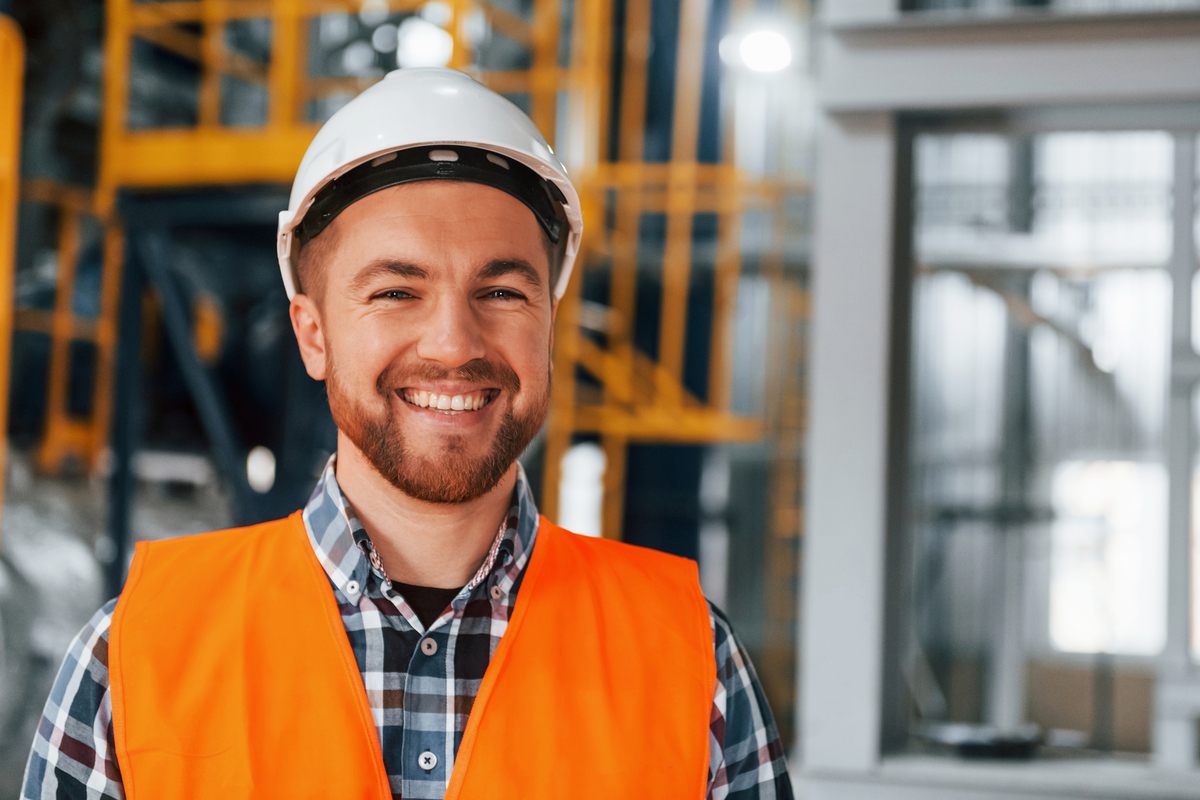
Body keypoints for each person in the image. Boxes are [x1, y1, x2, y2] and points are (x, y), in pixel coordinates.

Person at [23, 68, 792, 799]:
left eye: (501, 290)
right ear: (313, 335)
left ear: (549, 327)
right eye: (396, 291)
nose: (454, 344)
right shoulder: (134, 654)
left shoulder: (692, 663)